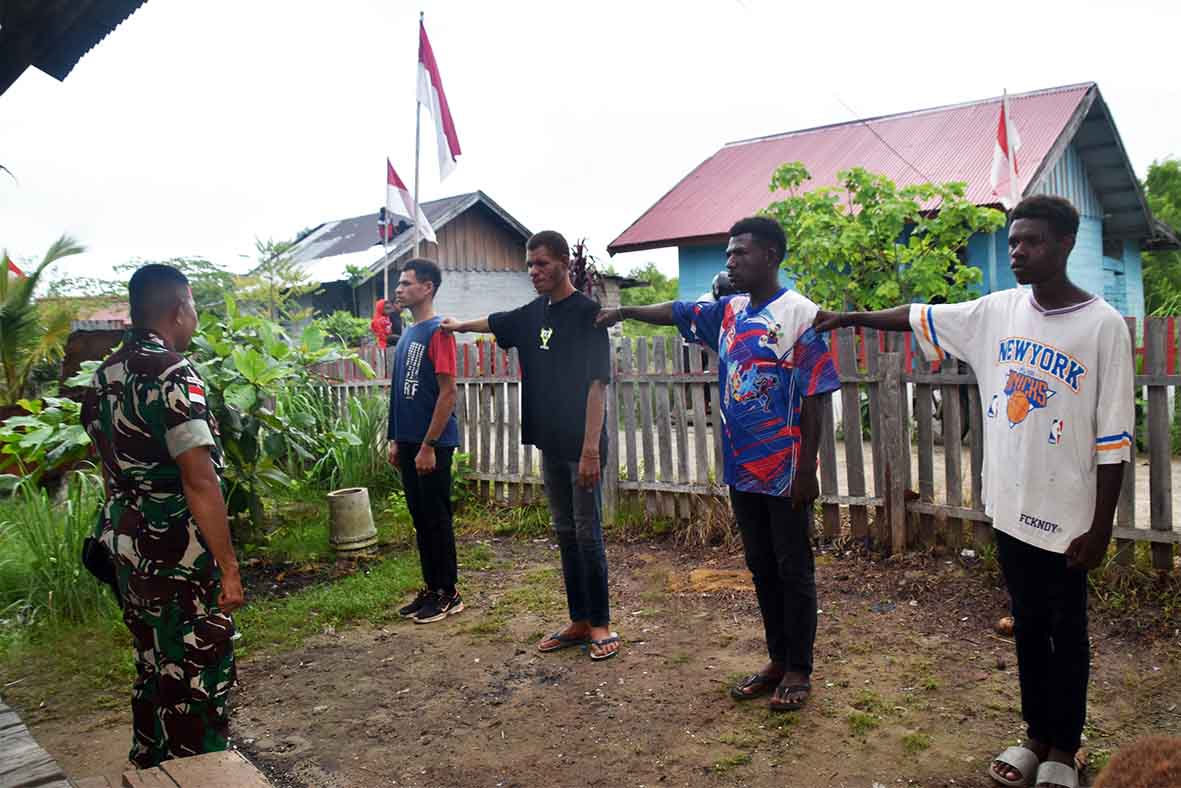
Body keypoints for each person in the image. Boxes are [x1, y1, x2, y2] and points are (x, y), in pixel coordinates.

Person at [813, 195, 1133, 788]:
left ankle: (1066, 748)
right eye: (1013, 241)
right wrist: (850, 317)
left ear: (1065, 244)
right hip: (1010, 507)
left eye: (1031, 241)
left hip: (1069, 517)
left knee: (1067, 633)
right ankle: (1035, 736)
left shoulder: (1102, 326)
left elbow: (1114, 441)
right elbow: (919, 314)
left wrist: (1101, 528)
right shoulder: (995, 311)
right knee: (1028, 624)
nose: (1017, 252)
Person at [596, 216, 840, 710]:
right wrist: (624, 310)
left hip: (785, 470)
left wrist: (807, 469)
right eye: (728, 253)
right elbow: (676, 311)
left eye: (740, 252)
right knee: (760, 567)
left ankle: (799, 668)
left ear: (771, 256)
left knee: (793, 568)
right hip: (741, 469)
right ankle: (777, 659)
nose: (730, 261)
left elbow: (817, 396)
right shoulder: (729, 311)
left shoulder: (800, 314)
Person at [81, 264, 244, 769]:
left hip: (126, 543)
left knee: (153, 658)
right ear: (179, 308)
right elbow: (199, 480)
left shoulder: (103, 377)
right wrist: (229, 567)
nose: (194, 317)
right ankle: (200, 769)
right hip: (177, 548)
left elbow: (108, 469)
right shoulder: (173, 373)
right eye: (193, 307)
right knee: (197, 663)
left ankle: (150, 764)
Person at [441, 230, 619, 660]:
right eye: (529, 265)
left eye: (541, 263)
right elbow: (496, 322)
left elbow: (597, 386)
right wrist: (459, 325)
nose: (533, 271)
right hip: (549, 442)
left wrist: (591, 451)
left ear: (563, 261)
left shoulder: (588, 313)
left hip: (582, 445)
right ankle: (579, 620)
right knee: (565, 532)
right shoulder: (533, 312)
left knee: (588, 534)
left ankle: (600, 624)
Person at [387, 258, 463, 624]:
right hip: (409, 442)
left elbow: (448, 393)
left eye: (406, 283)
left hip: (432, 445)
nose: (398, 289)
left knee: (436, 518)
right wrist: (395, 439)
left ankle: (449, 592)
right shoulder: (407, 334)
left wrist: (429, 445)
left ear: (427, 287)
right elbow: (398, 393)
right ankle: (431, 588)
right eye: (399, 283)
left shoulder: (439, 331)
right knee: (421, 518)